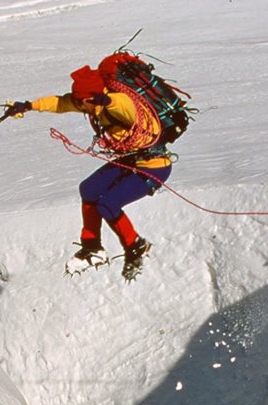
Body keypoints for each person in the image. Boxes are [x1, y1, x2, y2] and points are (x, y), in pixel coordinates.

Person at [9, 64, 172, 282]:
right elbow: (60, 103)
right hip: (133, 161)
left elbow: (125, 107)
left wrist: (107, 101)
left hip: (155, 166)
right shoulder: (88, 103)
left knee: (108, 203)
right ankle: (92, 247)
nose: (77, 105)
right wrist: (28, 106)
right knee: (89, 189)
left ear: (92, 98)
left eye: (80, 102)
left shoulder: (116, 103)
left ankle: (136, 246)